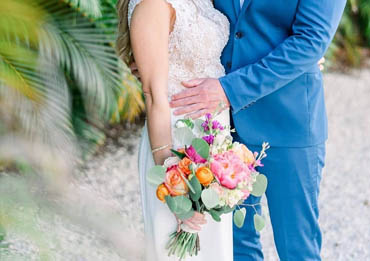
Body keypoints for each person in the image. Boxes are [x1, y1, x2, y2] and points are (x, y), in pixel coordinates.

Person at [169, 0, 346, 260]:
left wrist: (230, 90)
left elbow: (310, 40)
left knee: (297, 247)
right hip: (223, 127)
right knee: (237, 247)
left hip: (289, 122)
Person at [117, 0, 233, 260]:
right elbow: (153, 96)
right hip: (177, 142)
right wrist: (173, 185)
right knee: (176, 248)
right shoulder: (152, 5)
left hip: (212, 139)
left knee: (213, 248)